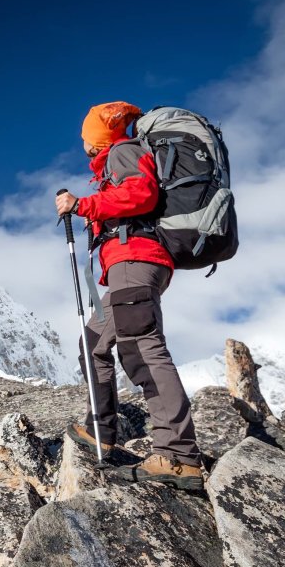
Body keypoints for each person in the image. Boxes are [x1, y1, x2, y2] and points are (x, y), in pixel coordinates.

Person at [54, 101, 204, 491]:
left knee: (142, 346)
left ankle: (178, 455)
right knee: (94, 344)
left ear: (96, 138)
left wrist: (82, 205)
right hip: (128, 263)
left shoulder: (122, 152)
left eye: (86, 135)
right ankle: (100, 430)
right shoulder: (114, 162)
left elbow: (142, 195)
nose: (83, 143)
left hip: (136, 259)